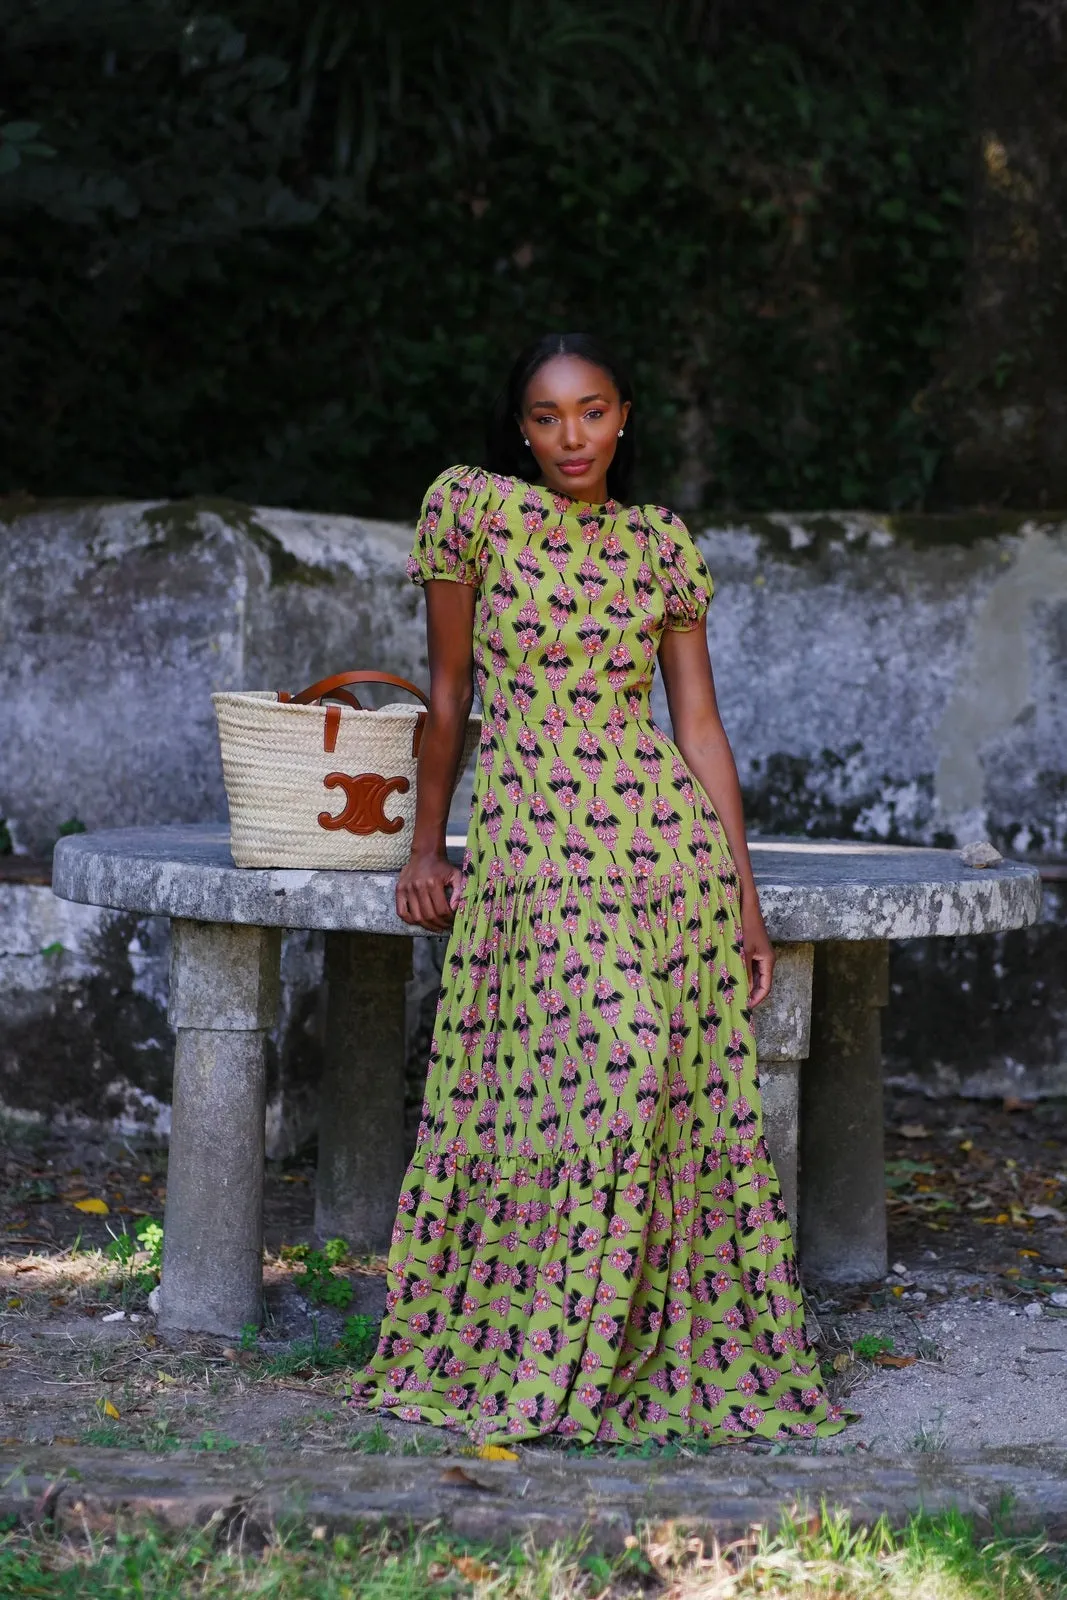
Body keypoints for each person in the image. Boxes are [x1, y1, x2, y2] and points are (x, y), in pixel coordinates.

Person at [352, 332, 845, 1443]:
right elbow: (447, 691)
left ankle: (635, 1352)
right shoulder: (472, 512)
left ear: (625, 418)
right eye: (544, 416)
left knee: (667, 1083)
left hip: (659, 838)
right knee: (615, 1058)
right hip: (532, 829)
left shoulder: (661, 545)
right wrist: (424, 848)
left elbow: (701, 729)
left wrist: (744, 899)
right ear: (519, 428)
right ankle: (539, 1345)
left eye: (589, 411)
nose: (568, 436)